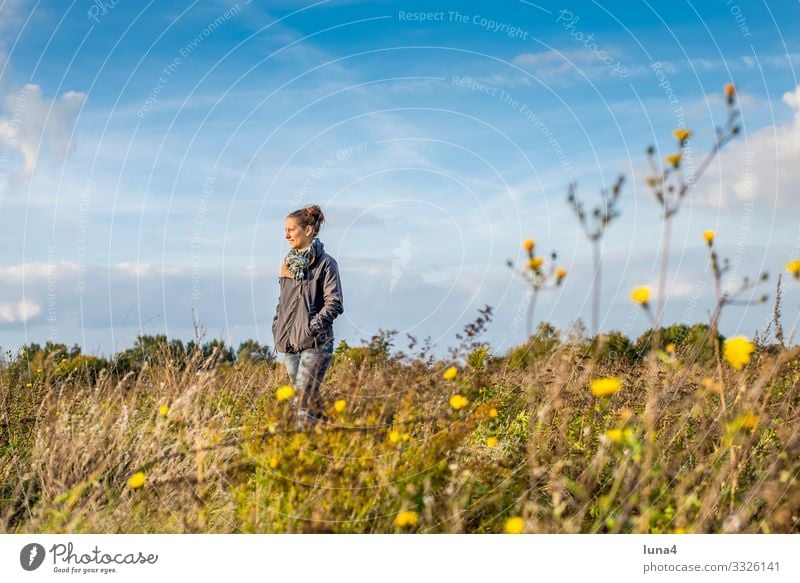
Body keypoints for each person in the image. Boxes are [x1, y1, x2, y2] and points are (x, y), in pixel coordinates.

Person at [272, 204, 344, 430]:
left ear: (308, 230)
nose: (286, 235)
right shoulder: (287, 264)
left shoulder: (326, 264)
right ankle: (331, 435)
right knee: (307, 398)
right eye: (285, 230)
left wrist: (311, 328)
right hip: (289, 342)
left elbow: (335, 303)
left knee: (302, 397)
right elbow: (282, 302)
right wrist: (278, 326)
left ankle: (305, 446)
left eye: (291, 229)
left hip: (315, 342)